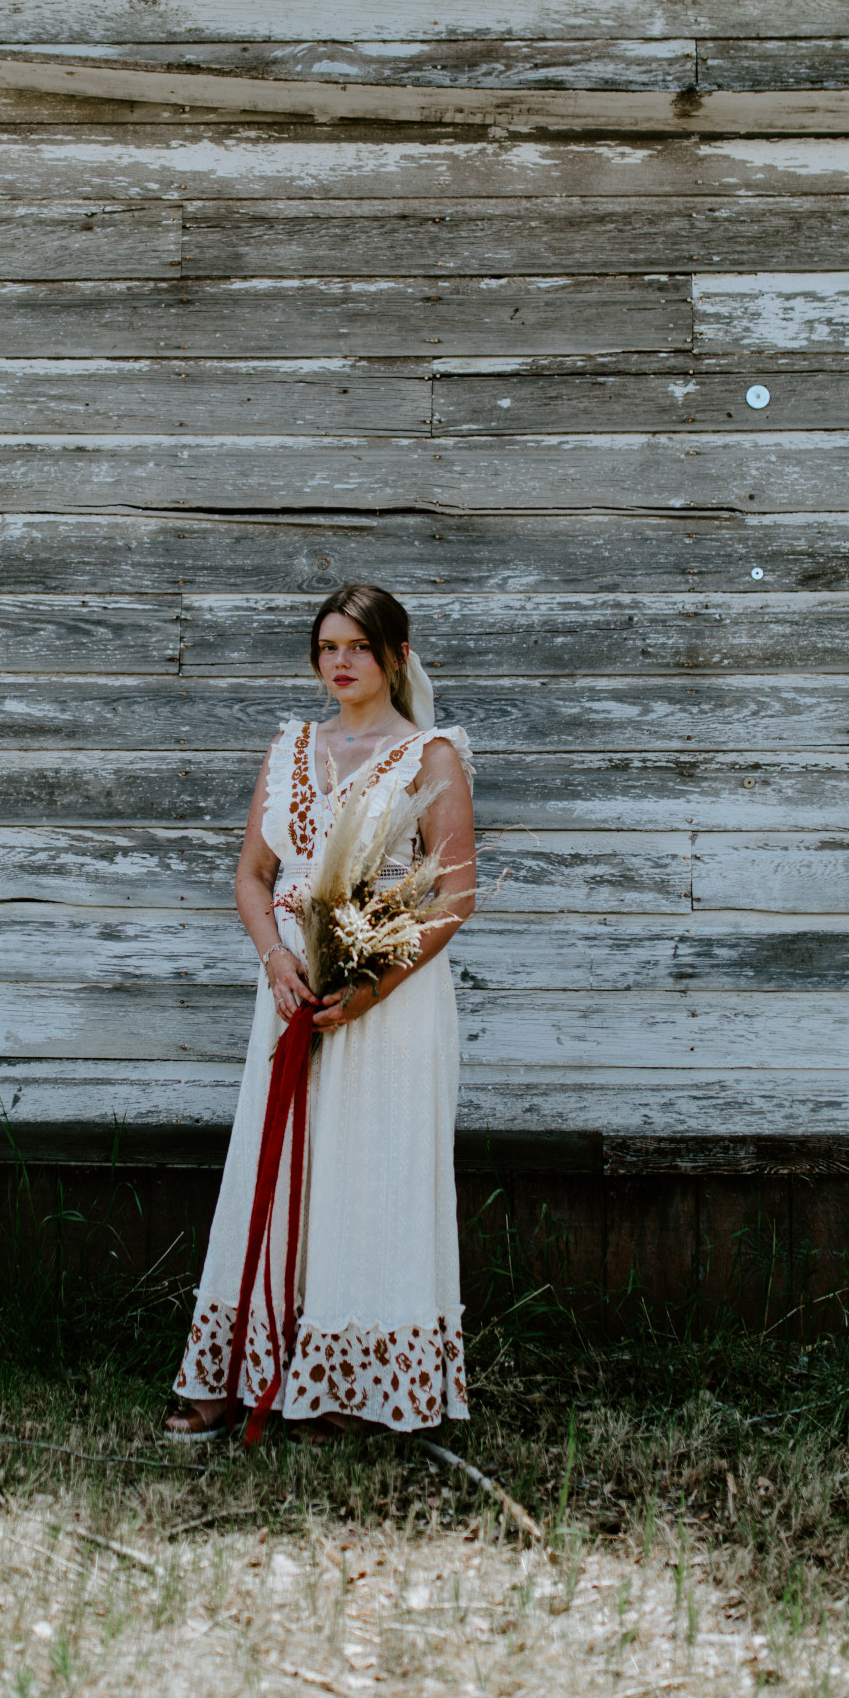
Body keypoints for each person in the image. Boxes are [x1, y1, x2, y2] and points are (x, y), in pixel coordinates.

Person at [168, 582, 476, 1438]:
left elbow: (455, 894)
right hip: (295, 989)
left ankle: (351, 1387)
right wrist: (275, 958)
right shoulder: (293, 747)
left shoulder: (432, 755)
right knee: (281, 1169)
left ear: (396, 657)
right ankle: (247, 1371)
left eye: (359, 648)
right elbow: (253, 877)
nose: (340, 663)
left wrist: (372, 984)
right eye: (328, 648)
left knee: (371, 1175)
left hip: (390, 997)